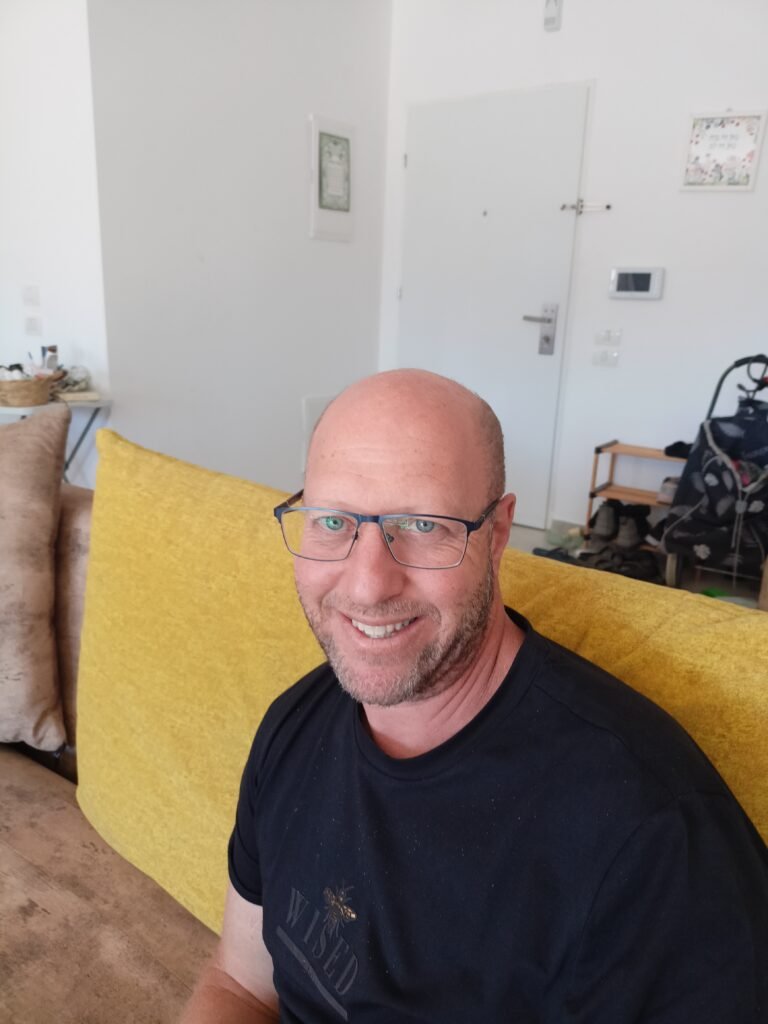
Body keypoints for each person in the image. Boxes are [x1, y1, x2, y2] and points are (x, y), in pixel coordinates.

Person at [181, 369, 768, 1023]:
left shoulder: (654, 841)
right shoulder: (295, 724)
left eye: (422, 524)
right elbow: (240, 984)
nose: (368, 585)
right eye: (334, 520)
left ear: (498, 533)